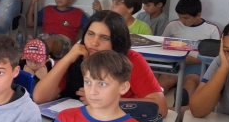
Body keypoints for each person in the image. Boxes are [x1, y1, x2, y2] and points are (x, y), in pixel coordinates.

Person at [32, 10, 168, 116]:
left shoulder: (131, 59)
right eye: (90, 34)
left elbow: (160, 108)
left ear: (117, 41)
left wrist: (105, 100)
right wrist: (67, 58)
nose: (94, 42)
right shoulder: (78, 55)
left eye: (104, 38)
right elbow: (39, 97)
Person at [158, 0, 221, 99]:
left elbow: (216, 57)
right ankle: (152, 102)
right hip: (175, 63)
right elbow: (161, 44)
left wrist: (195, 60)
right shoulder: (173, 25)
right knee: (165, 80)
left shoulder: (211, 29)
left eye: (186, 18)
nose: (182, 21)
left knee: (191, 82)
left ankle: (180, 106)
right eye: (179, 17)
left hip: (197, 65)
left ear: (198, 15)